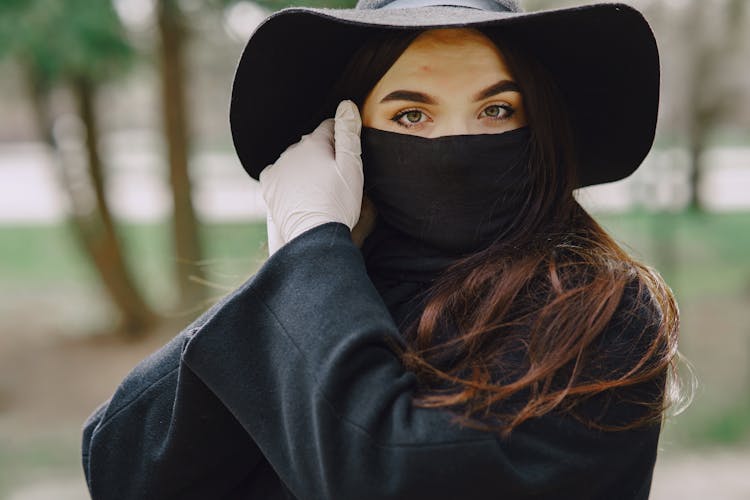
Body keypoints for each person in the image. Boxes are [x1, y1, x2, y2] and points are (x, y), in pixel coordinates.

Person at [81, 1, 684, 499]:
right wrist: (299, 260)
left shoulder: (600, 312)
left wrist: (312, 256)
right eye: (412, 114)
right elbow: (124, 465)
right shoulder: (328, 293)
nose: (455, 145)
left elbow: (397, 479)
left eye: (497, 110)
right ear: (350, 142)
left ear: (542, 130)